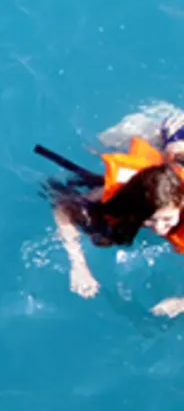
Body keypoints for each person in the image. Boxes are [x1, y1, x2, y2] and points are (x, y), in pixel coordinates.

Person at [37, 126, 184, 316]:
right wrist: (78, 265)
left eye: (167, 219)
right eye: (150, 220)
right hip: (168, 157)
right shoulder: (128, 195)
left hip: (177, 138)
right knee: (99, 142)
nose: (160, 229)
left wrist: (180, 303)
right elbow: (63, 206)